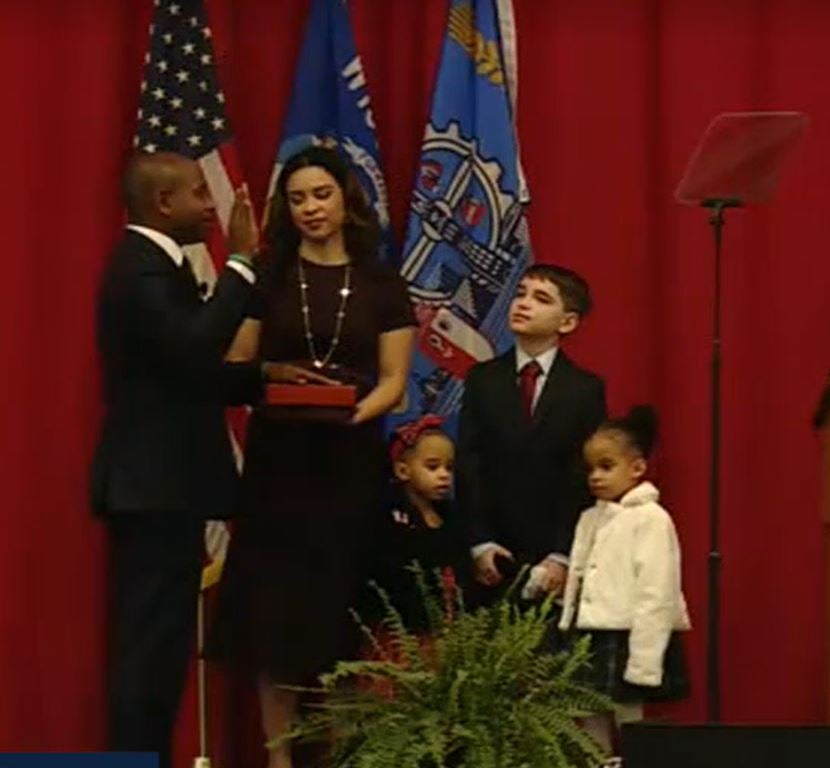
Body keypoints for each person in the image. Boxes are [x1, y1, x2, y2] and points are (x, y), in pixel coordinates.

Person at [92, 152, 327, 768]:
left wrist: (264, 375)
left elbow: (188, 373)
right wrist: (243, 262)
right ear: (163, 204)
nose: (211, 205)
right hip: (152, 487)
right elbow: (197, 342)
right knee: (147, 651)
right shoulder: (139, 269)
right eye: (199, 192)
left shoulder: (154, 267)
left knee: (162, 652)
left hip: (167, 488)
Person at [207, 146, 416, 768]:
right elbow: (238, 363)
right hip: (279, 468)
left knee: (340, 618)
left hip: (349, 465)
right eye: (297, 199)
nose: (310, 209)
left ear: (345, 197)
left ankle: (348, 753)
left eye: (320, 195)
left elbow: (394, 380)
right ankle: (279, 759)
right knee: (275, 624)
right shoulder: (271, 275)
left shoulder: (382, 281)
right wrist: (276, 384)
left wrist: (349, 413)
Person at [457, 264, 607, 603]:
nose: (523, 304)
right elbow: (470, 463)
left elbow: (583, 474)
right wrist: (480, 541)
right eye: (520, 293)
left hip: (551, 554)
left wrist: (562, 554)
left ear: (567, 322)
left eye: (540, 299)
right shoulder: (482, 379)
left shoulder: (584, 389)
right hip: (492, 552)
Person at [558, 406, 690, 754]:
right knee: (587, 720)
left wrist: (645, 660)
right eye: (590, 469)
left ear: (637, 467)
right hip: (590, 635)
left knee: (631, 722)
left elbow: (656, 592)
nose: (595, 477)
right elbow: (580, 576)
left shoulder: (652, 519)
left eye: (606, 466)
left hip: (630, 637)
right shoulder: (589, 518)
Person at [358, 414, 472, 636]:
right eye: (432, 467)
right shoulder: (391, 520)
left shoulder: (452, 517)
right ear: (403, 470)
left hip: (447, 629)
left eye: (449, 468)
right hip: (403, 635)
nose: (444, 475)